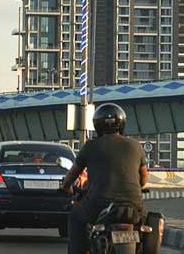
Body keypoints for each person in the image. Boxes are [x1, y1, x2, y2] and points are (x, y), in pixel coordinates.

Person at [60, 103, 148, 254]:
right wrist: (137, 186)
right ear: (122, 124)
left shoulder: (91, 146)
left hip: (99, 204)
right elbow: (144, 177)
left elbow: (73, 174)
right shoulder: (135, 145)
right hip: (133, 205)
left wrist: (65, 187)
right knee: (145, 223)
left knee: (75, 216)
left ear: (97, 125)